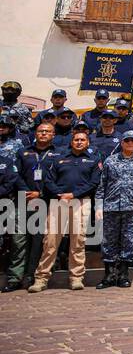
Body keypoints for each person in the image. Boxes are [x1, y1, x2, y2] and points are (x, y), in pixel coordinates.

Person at [28, 124, 99, 292]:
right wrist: (61, 194)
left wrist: (73, 195)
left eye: (83, 140)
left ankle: (76, 277)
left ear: (87, 143)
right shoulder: (59, 158)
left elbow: (94, 183)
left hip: (80, 203)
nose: (79, 142)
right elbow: (49, 180)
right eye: (76, 140)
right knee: (50, 241)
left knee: (78, 241)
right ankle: (41, 278)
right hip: (58, 201)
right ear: (71, 142)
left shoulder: (93, 160)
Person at [96, 130, 133, 289]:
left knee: (130, 240)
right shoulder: (110, 161)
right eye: (127, 140)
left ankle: (123, 275)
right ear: (122, 143)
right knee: (109, 241)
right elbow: (102, 185)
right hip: (111, 207)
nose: (130, 143)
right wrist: (99, 206)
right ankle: (109, 275)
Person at [6, 121, 59, 290]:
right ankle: (14, 277)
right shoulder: (23, 152)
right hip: (23, 200)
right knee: (18, 240)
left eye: (47, 131)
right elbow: (16, 175)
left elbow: (57, 179)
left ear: (53, 135)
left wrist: (40, 194)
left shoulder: (59, 154)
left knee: (38, 241)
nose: (43, 134)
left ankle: (30, 275)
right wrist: (27, 192)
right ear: (35, 133)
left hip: (45, 201)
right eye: (40, 131)